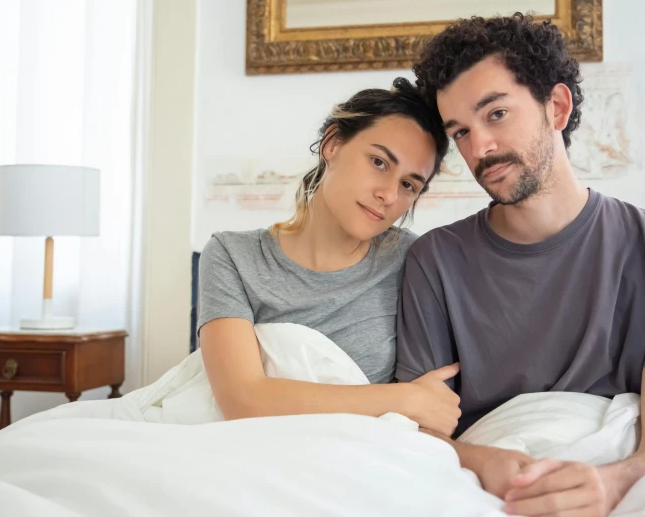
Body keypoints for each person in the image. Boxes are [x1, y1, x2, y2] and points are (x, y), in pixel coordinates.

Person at [396, 13, 645, 516]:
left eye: (495, 114)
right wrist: (482, 461)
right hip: (487, 486)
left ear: (556, 107)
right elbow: (423, 436)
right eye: (460, 132)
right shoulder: (435, 262)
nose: (479, 148)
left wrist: (606, 484)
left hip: (620, 475)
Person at [198, 78, 463, 438]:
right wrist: (405, 398)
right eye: (379, 162)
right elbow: (243, 401)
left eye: (408, 185)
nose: (388, 194)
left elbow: (436, 411)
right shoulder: (233, 256)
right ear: (332, 143)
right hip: (251, 447)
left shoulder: (413, 260)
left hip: (359, 455)